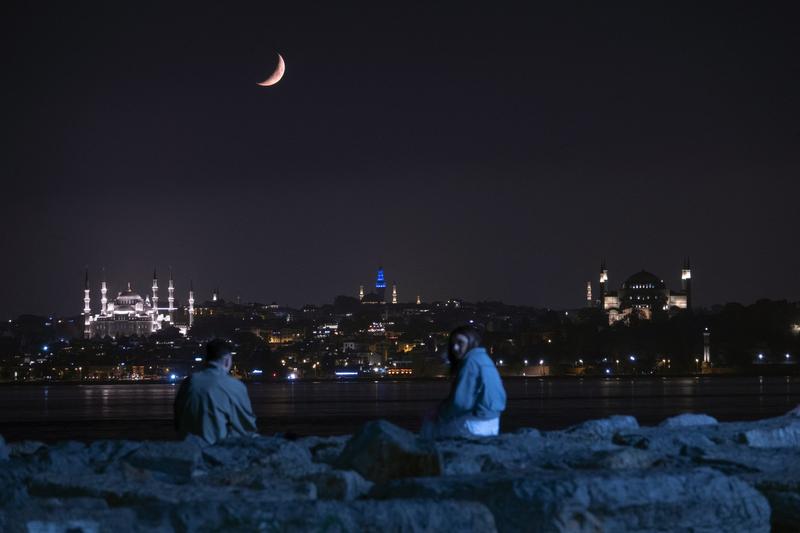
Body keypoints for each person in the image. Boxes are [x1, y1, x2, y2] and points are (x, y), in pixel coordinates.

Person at [426, 325, 507, 437]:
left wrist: (439, 413)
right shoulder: (484, 358)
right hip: (493, 421)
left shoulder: (470, 362)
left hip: (476, 424)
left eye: (460, 343)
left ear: (471, 342)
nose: (455, 348)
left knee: (431, 428)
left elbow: (461, 403)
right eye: (453, 343)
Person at [174, 339, 258, 444]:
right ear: (227, 360)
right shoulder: (235, 386)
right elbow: (247, 427)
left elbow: (177, 419)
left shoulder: (189, 382)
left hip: (187, 449)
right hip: (214, 450)